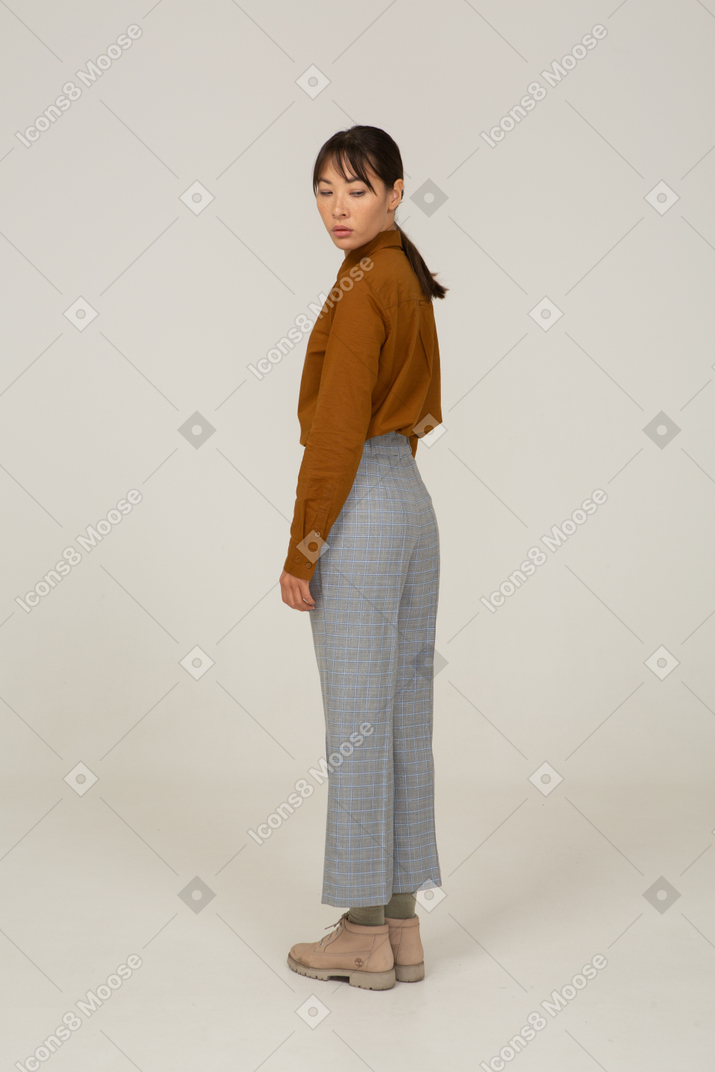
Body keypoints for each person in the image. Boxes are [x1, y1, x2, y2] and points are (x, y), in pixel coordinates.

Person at [279, 125, 448, 990]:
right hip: (410, 506)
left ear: (393, 189)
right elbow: (424, 412)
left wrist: (304, 547)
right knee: (399, 715)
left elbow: (339, 432)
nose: (337, 206)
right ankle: (400, 926)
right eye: (323, 190)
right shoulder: (404, 275)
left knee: (357, 725)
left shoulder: (360, 287)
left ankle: (358, 932)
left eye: (355, 188)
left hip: (359, 504)